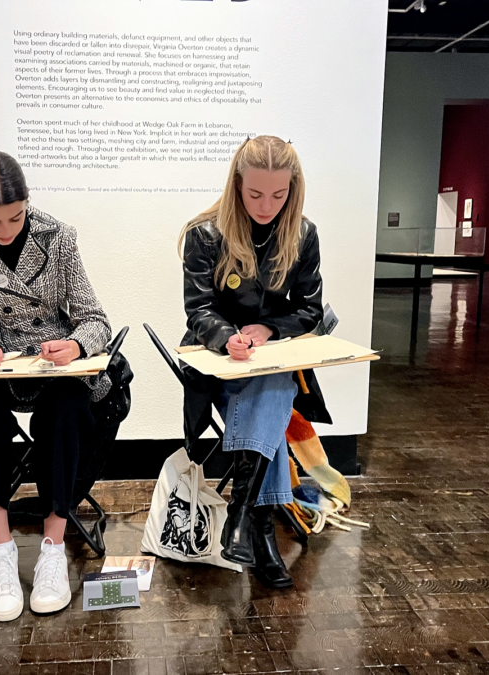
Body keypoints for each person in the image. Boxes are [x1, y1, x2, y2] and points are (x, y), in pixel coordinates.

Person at [0, 151, 112, 621]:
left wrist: (76, 345)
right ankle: (0, 550)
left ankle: (53, 548)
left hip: (50, 363)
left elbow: (95, 319)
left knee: (69, 404)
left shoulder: (57, 236)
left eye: (16, 217)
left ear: (28, 203)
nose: (5, 229)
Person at [178, 136, 332, 589]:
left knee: (274, 385)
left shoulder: (303, 233)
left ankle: (245, 517)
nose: (267, 205)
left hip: (270, 359)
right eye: (255, 194)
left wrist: (267, 331)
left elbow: (310, 309)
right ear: (236, 185)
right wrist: (228, 338)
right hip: (216, 365)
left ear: (293, 188)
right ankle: (257, 527)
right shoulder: (204, 233)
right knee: (276, 393)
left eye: (279, 195)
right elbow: (198, 310)